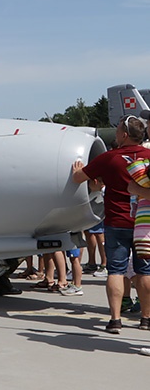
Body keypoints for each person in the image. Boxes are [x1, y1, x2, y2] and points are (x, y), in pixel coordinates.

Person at [72, 114, 150, 333]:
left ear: (124, 135)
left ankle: (115, 320)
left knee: (115, 271)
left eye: (117, 132)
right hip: (145, 223)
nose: (115, 135)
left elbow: (79, 177)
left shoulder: (110, 158)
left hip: (117, 221)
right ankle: (146, 318)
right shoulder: (148, 156)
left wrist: (79, 169)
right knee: (145, 272)